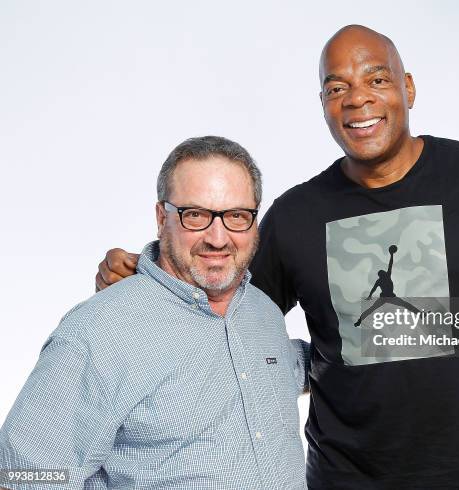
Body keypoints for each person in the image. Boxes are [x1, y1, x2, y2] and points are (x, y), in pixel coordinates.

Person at [95, 26, 459, 490]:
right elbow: (215, 323)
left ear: (409, 88)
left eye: (377, 78)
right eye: (337, 89)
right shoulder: (295, 217)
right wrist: (139, 287)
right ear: (324, 105)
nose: (358, 98)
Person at [0, 136, 309, 489]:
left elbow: (293, 367)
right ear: (162, 218)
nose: (219, 238)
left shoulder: (263, 313)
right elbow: (21, 475)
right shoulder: (99, 331)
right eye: (196, 215)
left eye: (237, 216)